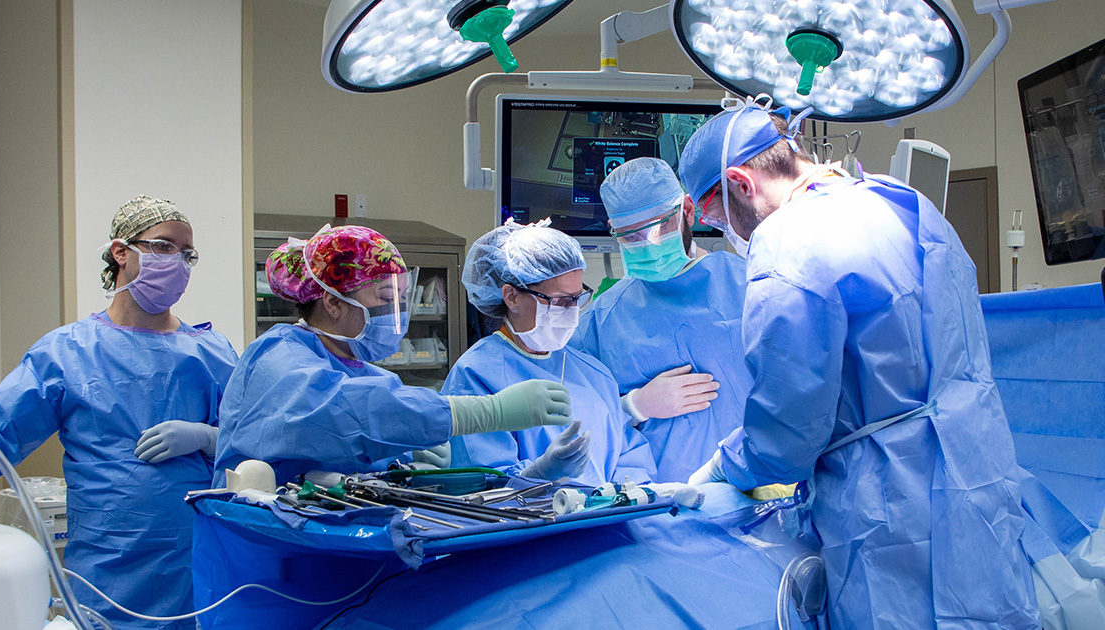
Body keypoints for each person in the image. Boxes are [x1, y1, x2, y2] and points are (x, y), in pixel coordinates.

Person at [679, 96, 1038, 627]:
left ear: (739, 181)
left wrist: (721, 469)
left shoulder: (788, 244)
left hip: (892, 506)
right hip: (976, 469)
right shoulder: (905, 203)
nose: (719, 227)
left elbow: (787, 432)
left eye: (710, 212)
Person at [0, 195, 238, 630]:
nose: (176, 261)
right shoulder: (68, 354)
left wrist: (209, 437)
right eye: (162, 246)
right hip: (109, 573)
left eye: (186, 253)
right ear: (121, 251)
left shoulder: (211, 354)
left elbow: (253, 446)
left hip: (199, 566)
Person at [213, 224, 572, 486]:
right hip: (268, 556)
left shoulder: (377, 377)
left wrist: (406, 464)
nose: (397, 313)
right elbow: (344, 416)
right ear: (333, 302)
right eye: (386, 300)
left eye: (402, 299)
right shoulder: (278, 356)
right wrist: (486, 412)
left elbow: (364, 458)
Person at [570, 157, 746, 483]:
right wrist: (633, 407)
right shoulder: (604, 317)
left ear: (688, 211)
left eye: (659, 227)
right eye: (630, 236)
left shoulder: (750, 287)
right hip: (653, 508)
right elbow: (572, 422)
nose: (647, 245)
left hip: (754, 498)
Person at [444, 220, 656, 486]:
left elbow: (629, 453)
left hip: (606, 523)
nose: (572, 311)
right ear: (511, 297)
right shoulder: (475, 375)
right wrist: (539, 475)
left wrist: (630, 492)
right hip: (531, 525)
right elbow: (482, 486)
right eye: (559, 301)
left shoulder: (593, 373)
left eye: (577, 298)